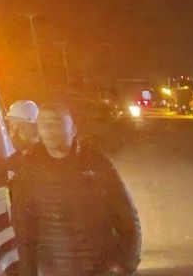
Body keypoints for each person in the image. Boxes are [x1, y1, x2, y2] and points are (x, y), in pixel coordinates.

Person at [12, 103, 141, 276]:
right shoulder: (28, 171)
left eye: (55, 123)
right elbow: (24, 230)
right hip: (54, 269)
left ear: (73, 130)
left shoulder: (96, 164)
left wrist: (126, 263)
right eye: (43, 124)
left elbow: (126, 216)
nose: (48, 129)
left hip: (100, 268)